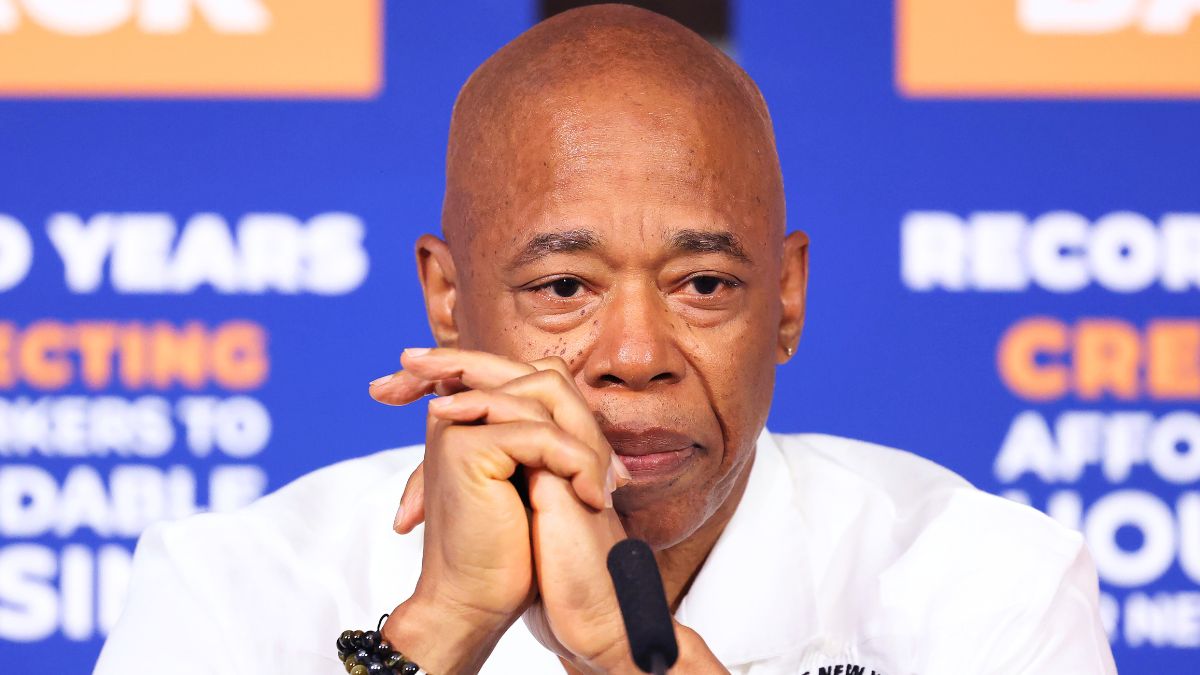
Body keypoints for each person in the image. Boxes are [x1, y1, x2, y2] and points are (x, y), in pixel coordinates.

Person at [94, 5, 1118, 674]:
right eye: (564, 288)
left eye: (704, 284)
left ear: (787, 298)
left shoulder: (989, 585)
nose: (634, 353)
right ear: (446, 301)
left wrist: (626, 659)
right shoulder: (230, 587)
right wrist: (442, 625)